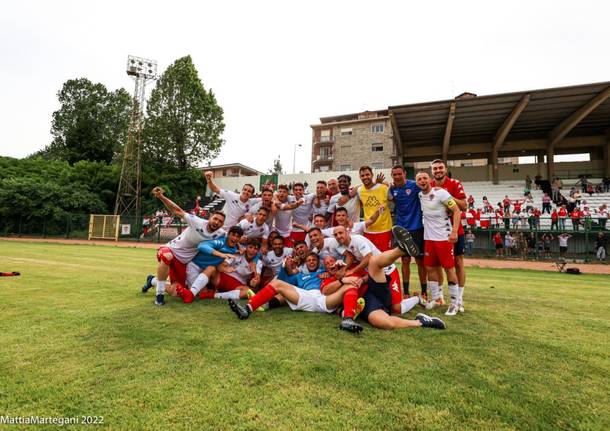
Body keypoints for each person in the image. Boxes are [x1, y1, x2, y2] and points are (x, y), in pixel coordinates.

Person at [228, 252, 366, 333]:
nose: (311, 262)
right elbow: (283, 282)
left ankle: (347, 319)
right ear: (305, 263)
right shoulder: (300, 275)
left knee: (350, 285)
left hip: (324, 299)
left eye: (314, 260)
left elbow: (338, 277)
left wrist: (340, 272)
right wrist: (286, 267)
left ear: (319, 263)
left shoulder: (326, 272)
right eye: (309, 260)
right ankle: (247, 309)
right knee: (277, 284)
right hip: (305, 296)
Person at [142, 187, 226, 306]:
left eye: (220, 221)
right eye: (215, 218)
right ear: (210, 217)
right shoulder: (196, 221)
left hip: (183, 261)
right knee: (167, 257)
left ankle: (153, 280)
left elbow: (235, 235)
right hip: (171, 249)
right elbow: (177, 210)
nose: (217, 222)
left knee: (175, 292)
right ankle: (159, 295)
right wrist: (162, 197)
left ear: (222, 224)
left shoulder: (220, 233)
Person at [416, 171, 462, 316]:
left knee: (449, 269)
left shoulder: (441, 193)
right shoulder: (419, 195)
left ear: (430, 180)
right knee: (430, 267)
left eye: (424, 178)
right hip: (429, 238)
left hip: (444, 238)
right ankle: (437, 299)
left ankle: (454, 303)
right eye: (419, 179)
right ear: (417, 183)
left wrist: (454, 231)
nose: (422, 181)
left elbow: (456, 211)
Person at [429, 159, 467, 314]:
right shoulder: (429, 185)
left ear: (445, 169)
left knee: (457, 263)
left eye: (440, 168)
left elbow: (464, 205)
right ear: (432, 171)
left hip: (455, 230)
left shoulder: (455, 184)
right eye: (435, 168)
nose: (438, 170)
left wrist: (446, 197)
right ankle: (439, 297)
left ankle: (459, 300)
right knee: (436, 265)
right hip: (436, 231)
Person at [175, 225, 244, 303]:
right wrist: (220, 254)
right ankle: (163, 284)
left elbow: (249, 249)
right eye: (233, 235)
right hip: (195, 266)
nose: (235, 238)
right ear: (228, 234)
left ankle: (189, 293)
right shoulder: (220, 242)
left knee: (210, 272)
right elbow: (201, 246)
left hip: (206, 271)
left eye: (238, 237)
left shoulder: (235, 248)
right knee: (190, 293)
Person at [389, 165, 427, 298]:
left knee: (420, 261)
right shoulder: (392, 189)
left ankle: (424, 292)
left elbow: (426, 186)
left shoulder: (414, 185)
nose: (397, 176)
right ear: (392, 176)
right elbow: (391, 200)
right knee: (405, 261)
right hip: (401, 230)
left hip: (416, 228)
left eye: (400, 174)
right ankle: (405, 292)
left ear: (405, 174)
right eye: (394, 174)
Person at [355, 166, 394, 252]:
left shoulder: (384, 188)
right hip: (368, 230)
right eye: (362, 175)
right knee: (371, 258)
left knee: (385, 258)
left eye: (367, 174)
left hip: (384, 229)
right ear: (360, 177)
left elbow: (392, 200)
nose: (365, 177)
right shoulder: (359, 191)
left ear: (372, 175)